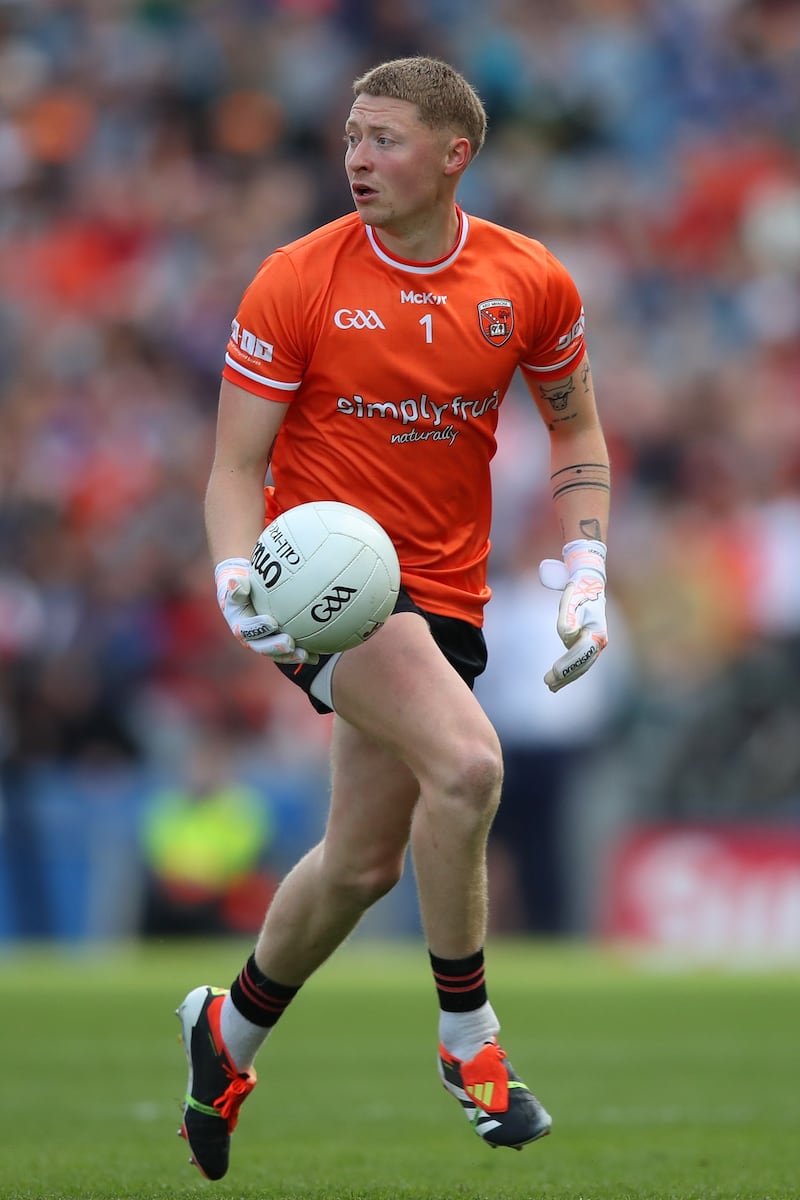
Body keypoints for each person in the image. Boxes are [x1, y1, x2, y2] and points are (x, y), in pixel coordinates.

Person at [176, 55, 611, 1181]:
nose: (355, 158)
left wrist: (584, 565)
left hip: (447, 596)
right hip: (327, 589)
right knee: (466, 766)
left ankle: (227, 1034)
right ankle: (468, 1042)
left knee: (362, 864)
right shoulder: (296, 277)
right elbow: (235, 464)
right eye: (350, 137)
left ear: (453, 154)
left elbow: (576, 434)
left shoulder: (530, 281)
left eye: (382, 139)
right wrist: (235, 578)